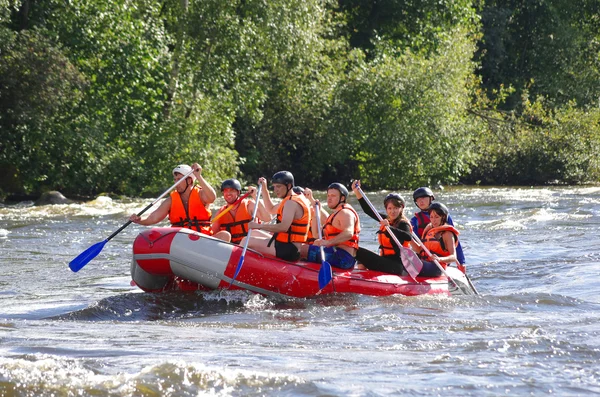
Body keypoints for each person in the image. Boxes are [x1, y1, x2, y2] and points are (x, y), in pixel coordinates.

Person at [241, 171, 312, 261]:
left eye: (278, 186)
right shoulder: (292, 199)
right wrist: (264, 188)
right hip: (285, 243)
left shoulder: (291, 203)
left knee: (246, 241)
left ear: (289, 186)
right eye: (274, 186)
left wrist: (259, 226)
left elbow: (283, 227)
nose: (275, 190)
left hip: (288, 249)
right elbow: (270, 209)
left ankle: (238, 265)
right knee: (253, 233)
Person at [129, 163, 216, 235]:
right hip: (180, 237)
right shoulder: (171, 200)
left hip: (202, 237)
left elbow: (212, 197)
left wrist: (198, 176)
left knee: (224, 235)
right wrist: (139, 220)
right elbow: (153, 218)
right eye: (175, 180)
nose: (176, 182)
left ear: (189, 181)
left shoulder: (201, 194)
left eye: (179, 179)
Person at [351, 180, 412, 275]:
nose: (393, 211)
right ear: (386, 209)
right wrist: (357, 192)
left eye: (396, 208)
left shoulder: (403, 223)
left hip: (398, 266)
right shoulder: (386, 219)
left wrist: (389, 228)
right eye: (390, 208)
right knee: (359, 255)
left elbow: (408, 236)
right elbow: (368, 210)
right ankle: (362, 278)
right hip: (385, 260)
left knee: (358, 252)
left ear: (401, 208)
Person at [303, 183, 360, 270]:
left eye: (333, 196)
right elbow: (316, 234)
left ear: (342, 198)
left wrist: (328, 243)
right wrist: (315, 211)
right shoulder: (337, 213)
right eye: (328, 195)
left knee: (301, 249)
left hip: (342, 257)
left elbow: (348, 233)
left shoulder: (345, 212)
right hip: (336, 254)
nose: (329, 198)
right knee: (306, 247)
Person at [411, 186, 466, 271]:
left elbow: (454, 242)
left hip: (441, 258)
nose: (421, 201)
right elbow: (418, 245)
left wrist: (461, 262)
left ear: (431, 198)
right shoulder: (415, 220)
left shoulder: (444, 215)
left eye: (424, 198)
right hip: (424, 255)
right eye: (418, 199)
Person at [211, 179, 272, 243]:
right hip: (231, 247)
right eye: (226, 191)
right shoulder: (221, 212)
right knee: (224, 234)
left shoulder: (249, 206)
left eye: (232, 190)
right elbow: (213, 233)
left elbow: (267, 218)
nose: (228, 193)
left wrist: (255, 196)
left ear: (238, 192)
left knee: (254, 233)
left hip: (249, 245)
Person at [410, 202, 460, 277]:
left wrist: (439, 259)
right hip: (424, 262)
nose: (433, 220)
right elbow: (420, 250)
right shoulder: (428, 230)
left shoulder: (447, 234)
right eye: (431, 217)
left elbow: (453, 257)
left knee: (416, 265)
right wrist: (408, 236)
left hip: (437, 267)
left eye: (436, 217)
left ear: (443, 217)